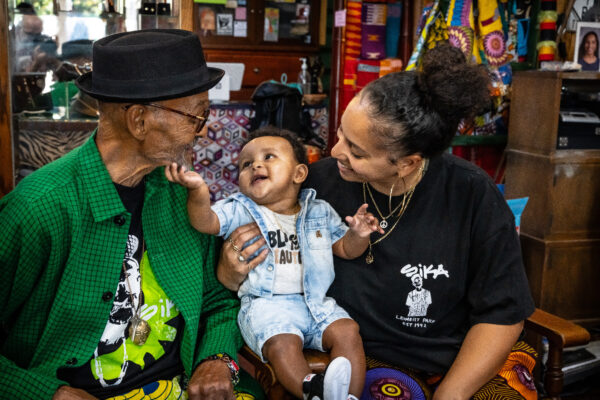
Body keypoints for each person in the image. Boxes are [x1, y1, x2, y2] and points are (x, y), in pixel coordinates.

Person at [217, 44, 537, 400]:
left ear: (407, 163)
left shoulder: (472, 195)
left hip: (465, 358)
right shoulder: (313, 187)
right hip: (361, 354)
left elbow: (503, 313)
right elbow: (258, 271)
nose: (336, 152)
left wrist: (451, 395)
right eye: (340, 134)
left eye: (356, 151)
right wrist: (232, 268)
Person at [0, 29, 244, 400]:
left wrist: (216, 357)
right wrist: (48, 393)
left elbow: (218, 299)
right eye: (198, 115)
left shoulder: (180, 193)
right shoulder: (40, 208)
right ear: (139, 121)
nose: (204, 130)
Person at [165, 126, 383, 400]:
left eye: (269, 157)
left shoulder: (319, 211)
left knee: (348, 331)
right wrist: (198, 192)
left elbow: (345, 249)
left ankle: (348, 396)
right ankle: (311, 390)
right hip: (267, 306)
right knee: (283, 343)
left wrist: (359, 234)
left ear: (299, 173)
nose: (256, 164)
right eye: (246, 164)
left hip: (315, 302)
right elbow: (207, 222)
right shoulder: (240, 208)